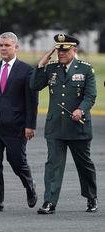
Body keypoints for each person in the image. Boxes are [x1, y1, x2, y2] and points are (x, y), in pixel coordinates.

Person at [30, 34, 98, 214]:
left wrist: (81, 110)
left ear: (74, 50)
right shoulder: (51, 68)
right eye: (59, 50)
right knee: (53, 165)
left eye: (65, 50)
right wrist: (41, 64)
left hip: (78, 127)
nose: (61, 53)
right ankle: (49, 202)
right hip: (56, 127)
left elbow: (90, 96)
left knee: (84, 165)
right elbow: (34, 85)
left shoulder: (85, 69)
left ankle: (91, 197)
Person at [0, 32, 38, 212]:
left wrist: (30, 125)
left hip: (16, 127)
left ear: (16, 47)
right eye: (1, 45)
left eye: (7, 45)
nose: (3, 48)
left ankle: (29, 186)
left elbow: (32, 102)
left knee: (17, 161)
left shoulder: (27, 71)